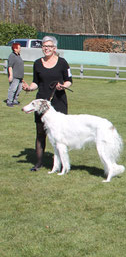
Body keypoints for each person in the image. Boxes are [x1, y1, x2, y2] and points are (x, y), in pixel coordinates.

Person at [22, 36, 73, 172]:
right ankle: (38, 163)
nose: (46, 48)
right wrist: (29, 88)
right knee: (40, 132)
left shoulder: (62, 63)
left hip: (58, 101)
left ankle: (62, 164)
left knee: (60, 135)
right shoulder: (37, 63)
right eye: (44, 46)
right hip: (41, 102)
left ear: (54, 48)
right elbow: (35, 83)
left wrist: (63, 85)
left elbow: (69, 80)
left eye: (49, 46)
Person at [6, 43, 24, 107]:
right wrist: (11, 75)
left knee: (19, 89)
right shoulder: (12, 56)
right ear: (15, 49)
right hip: (15, 76)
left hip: (20, 76)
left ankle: (15, 100)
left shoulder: (18, 55)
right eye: (19, 48)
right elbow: (10, 66)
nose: (20, 49)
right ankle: (9, 101)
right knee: (13, 89)